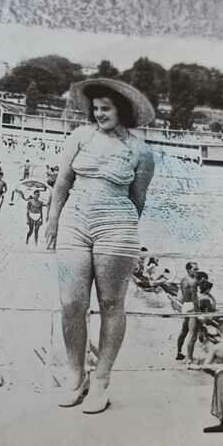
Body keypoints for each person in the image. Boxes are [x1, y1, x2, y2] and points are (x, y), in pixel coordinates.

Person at [46, 78, 157, 414]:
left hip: (116, 226)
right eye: (95, 109)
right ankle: (75, 375)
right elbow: (62, 182)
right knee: (71, 302)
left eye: (105, 109)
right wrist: (52, 221)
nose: (98, 114)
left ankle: (102, 380)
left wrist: (118, 229)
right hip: (74, 222)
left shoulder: (141, 151)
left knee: (111, 303)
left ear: (120, 110)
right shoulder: (80, 137)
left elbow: (138, 199)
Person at [184, 277, 217, 363]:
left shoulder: (197, 295)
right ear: (208, 289)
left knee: (192, 337)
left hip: (193, 317)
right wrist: (213, 299)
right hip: (199, 318)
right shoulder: (206, 298)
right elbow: (212, 309)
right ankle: (192, 356)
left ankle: (189, 357)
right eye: (210, 289)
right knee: (194, 337)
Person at [175, 262, 200, 361]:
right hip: (191, 307)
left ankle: (179, 353)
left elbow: (182, 294)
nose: (197, 271)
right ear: (188, 270)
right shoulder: (193, 282)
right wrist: (198, 312)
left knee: (184, 330)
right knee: (193, 334)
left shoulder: (183, 280)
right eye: (195, 269)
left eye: (197, 269)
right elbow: (194, 298)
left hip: (185, 306)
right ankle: (189, 358)